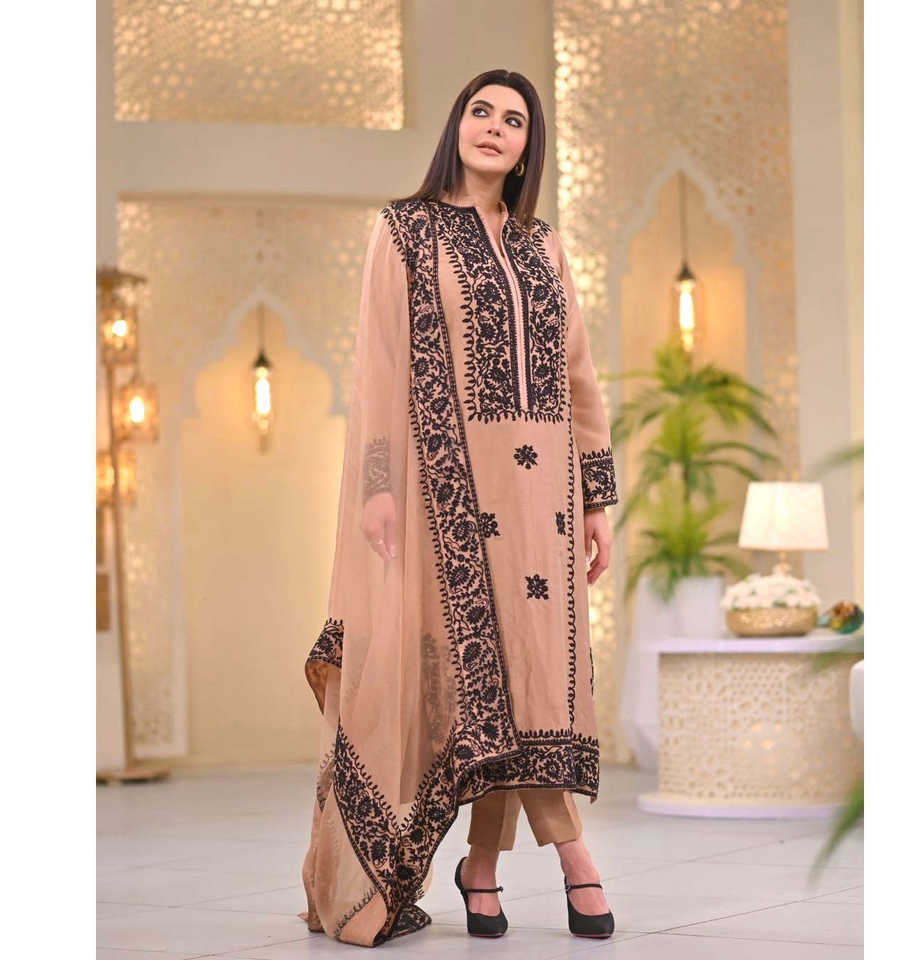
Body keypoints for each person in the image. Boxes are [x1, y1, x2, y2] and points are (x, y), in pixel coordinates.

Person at [299, 68, 618, 947]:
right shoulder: (404, 230)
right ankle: (576, 859)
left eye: (514, 120)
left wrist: (596, 497)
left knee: (536, 682)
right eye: (481, 111)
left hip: (546, 499)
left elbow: (579, 375)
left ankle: (482, 868)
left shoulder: (545, 246)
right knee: (488, 682)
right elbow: (379, 365)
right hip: (449, 491)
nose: (494, 127)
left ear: (526, 148)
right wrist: (379, 485)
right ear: (457, 125)